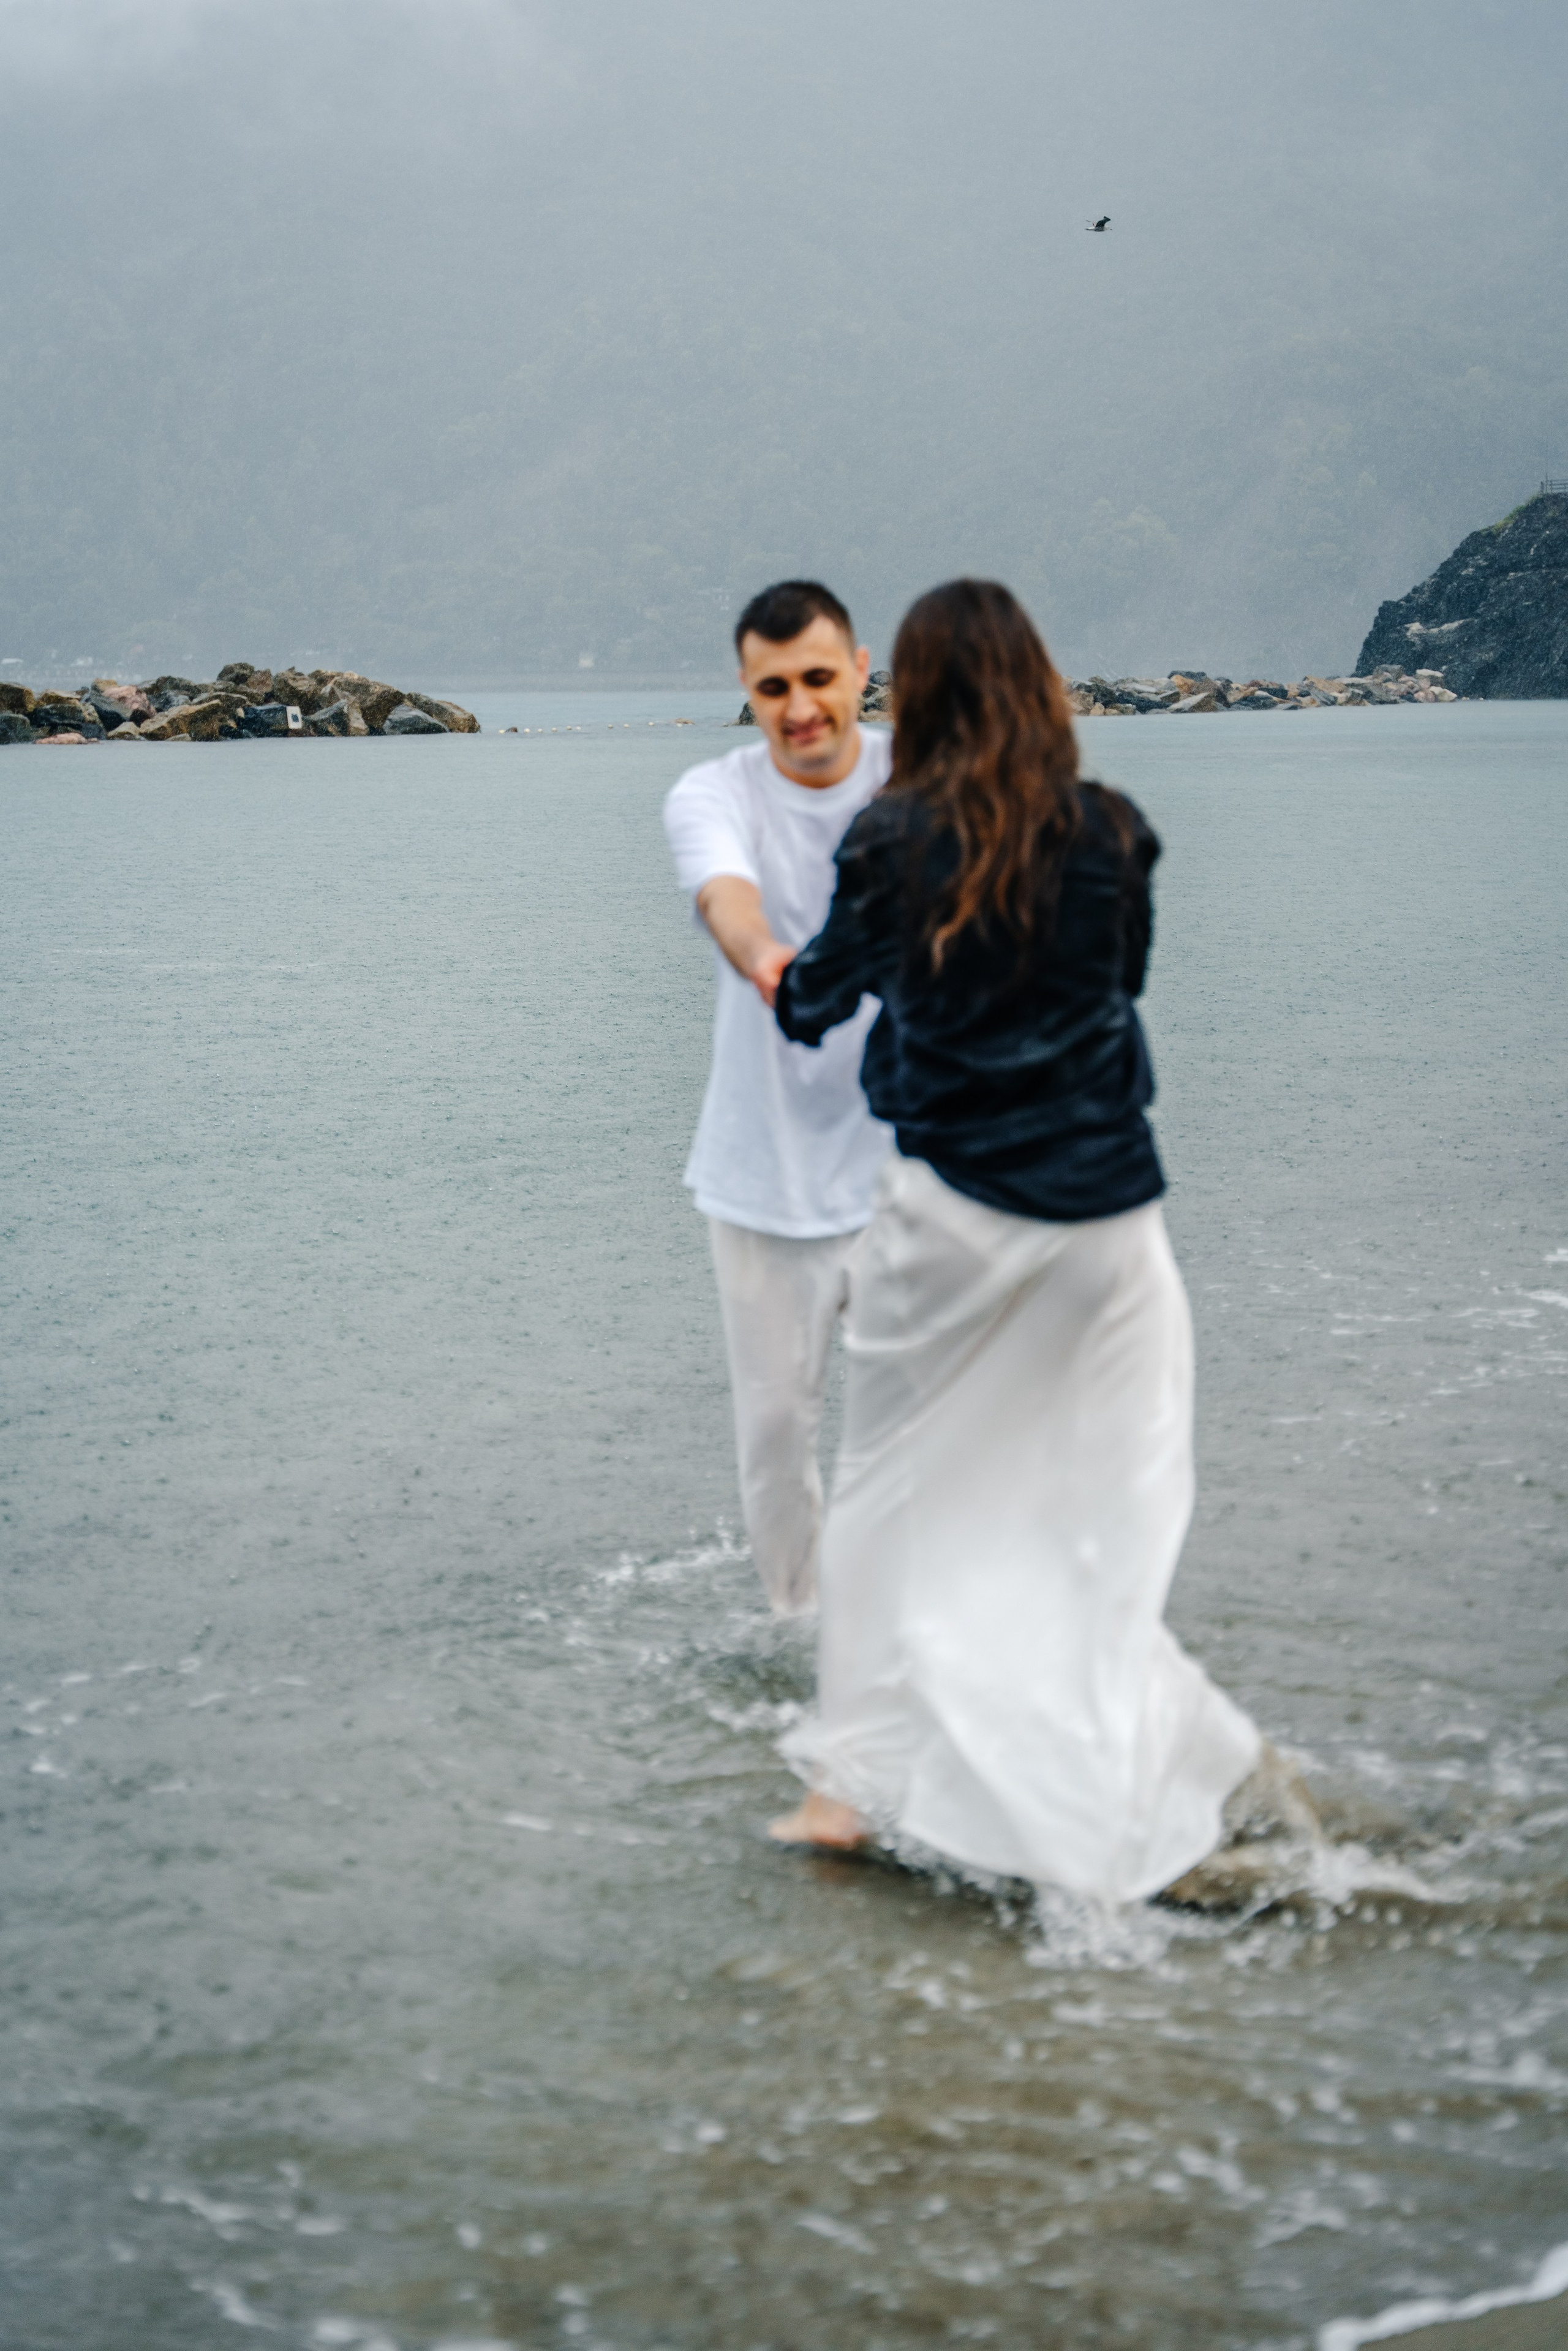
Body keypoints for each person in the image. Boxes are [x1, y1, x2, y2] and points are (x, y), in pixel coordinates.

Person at [766, 578, 1262, 1901]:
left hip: (954, 1221)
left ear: (908, 694)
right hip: (1112, 1224)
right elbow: (1121, 981)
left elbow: (814, 997)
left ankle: (845, 1792)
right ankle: (1111, 1773)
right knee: (1106, 1498)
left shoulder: (890, 836)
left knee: (885, 1489)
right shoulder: (1113, 829)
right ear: (1039, 686)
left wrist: (774, 972)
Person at [663, 581, 893, 1615]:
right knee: (774, 1442)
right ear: (748, 693)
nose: (800, 707)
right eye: (773, 687)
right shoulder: (714, 793)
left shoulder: (919, 782)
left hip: (911, 1170)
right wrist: (774, 967)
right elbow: (728, 897)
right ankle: (807, 1638)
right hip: (762, 1183)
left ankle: (914, 1629)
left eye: (817, 677)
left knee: (921, 1424)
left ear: (858, 668)